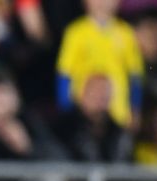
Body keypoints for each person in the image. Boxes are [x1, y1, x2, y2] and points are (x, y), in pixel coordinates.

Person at [55, 0, 143, 128]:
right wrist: (66, 109)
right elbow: (64, 73)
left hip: (118, 113)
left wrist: (135, 109)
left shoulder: (127, 33)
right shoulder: (75, 32)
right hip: (84, 113)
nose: (102, 3)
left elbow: (135, 75)